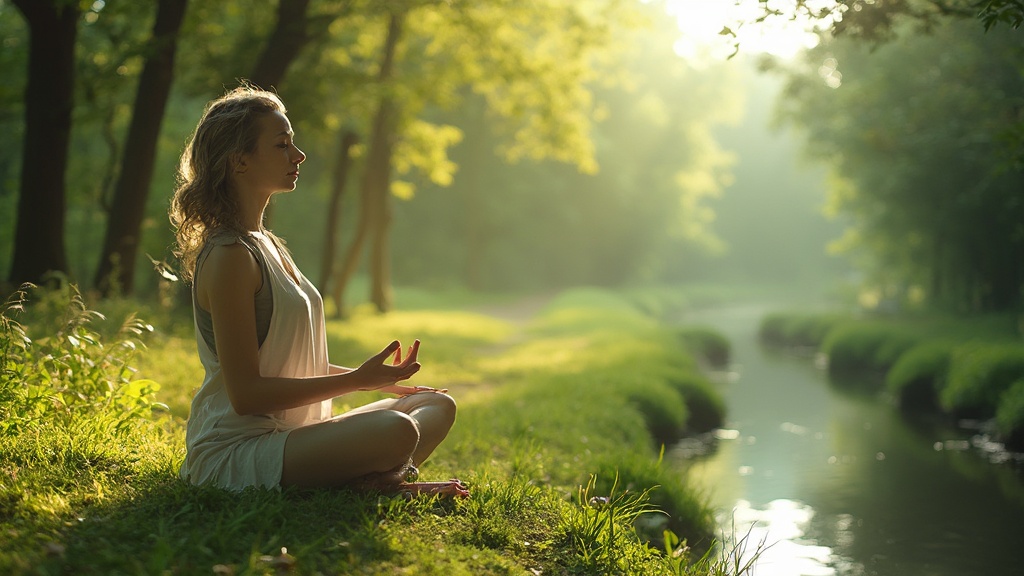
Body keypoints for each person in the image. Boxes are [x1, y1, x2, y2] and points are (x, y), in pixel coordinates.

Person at [169, 84, 467, 497]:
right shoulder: (229, 256)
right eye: (282, 144)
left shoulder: (267, 244)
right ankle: (375, 484)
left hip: (297, 437)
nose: (298, 155)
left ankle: (370, 483)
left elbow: (288, 363)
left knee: (435, 406)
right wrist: (356, 381)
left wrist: (377, 380)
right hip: (237, 452)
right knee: (397, 430)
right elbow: (247, 395)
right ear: (240, 161)